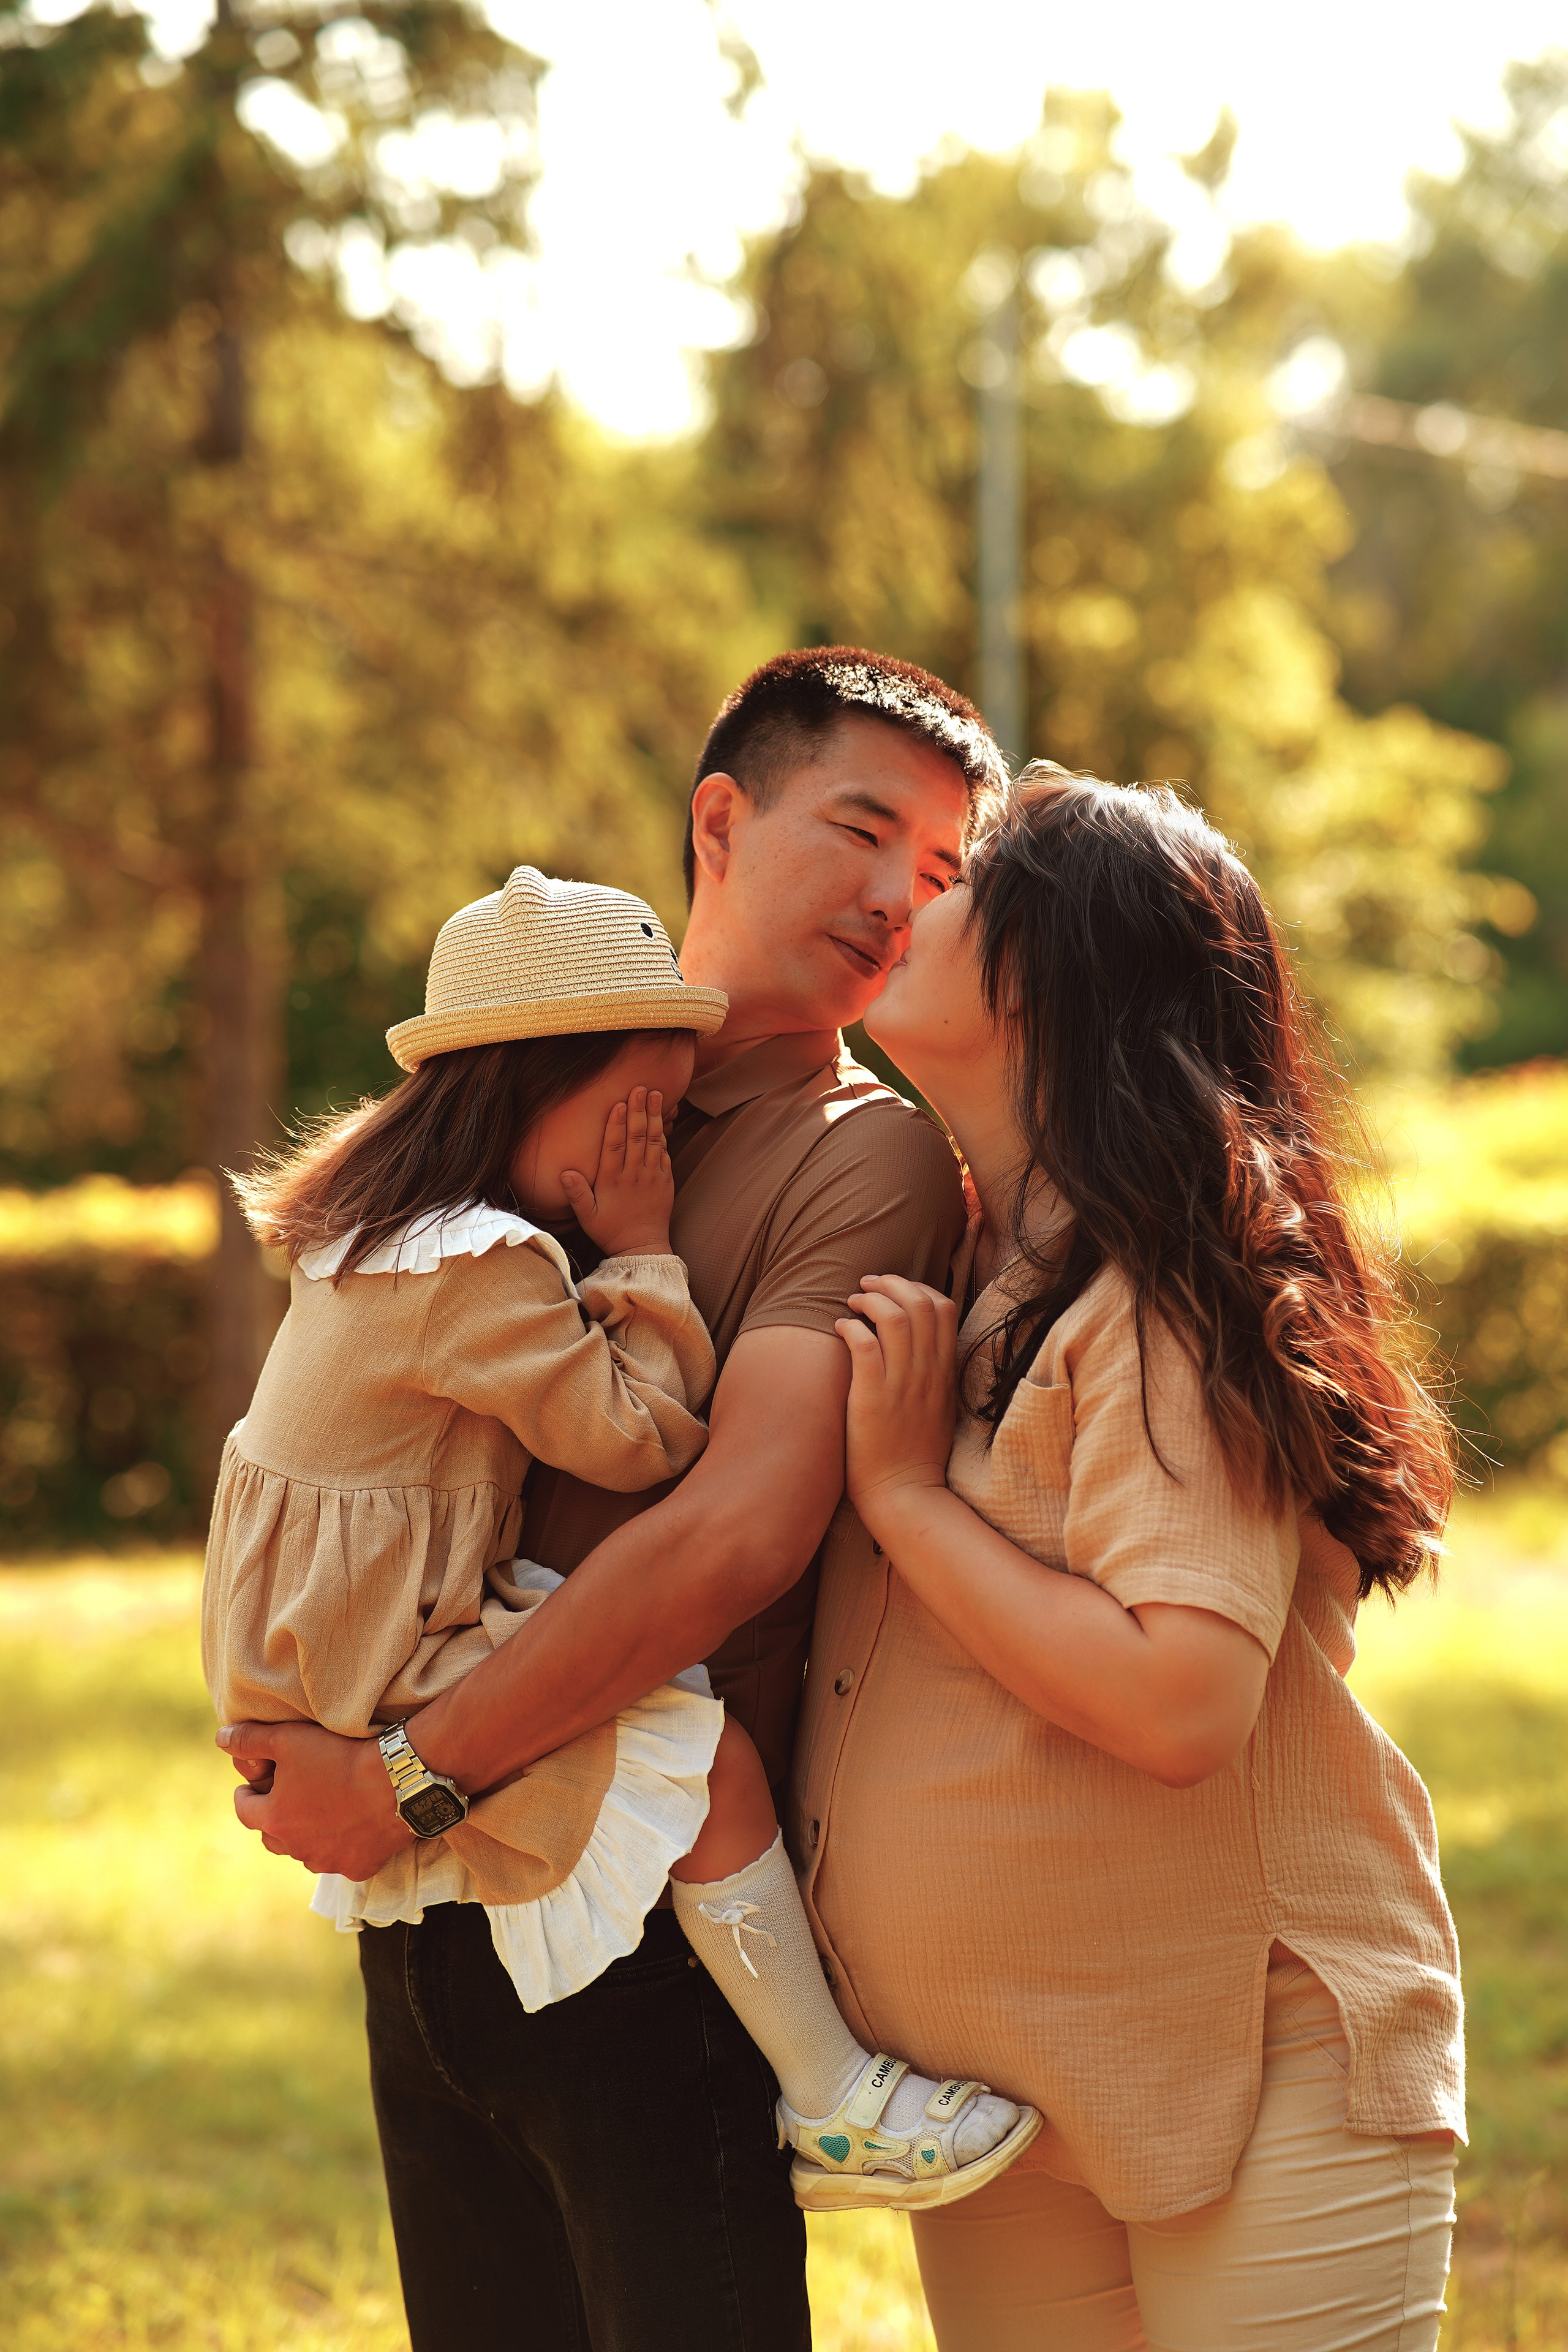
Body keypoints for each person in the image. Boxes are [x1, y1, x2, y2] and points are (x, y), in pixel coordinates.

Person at [216, 648, 1010, 2351]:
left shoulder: (855, 1151)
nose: (897, 898)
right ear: (719, 818)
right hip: (427, 1906)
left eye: (943, 873)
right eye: (864, 830)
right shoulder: (509, 1093)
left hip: (644, 1910)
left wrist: (411, 1777)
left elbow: (736, 1533)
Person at [800, 767, 1463, 2352]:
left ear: (1057, 964)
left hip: (1258, 2055)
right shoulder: (969, 1263)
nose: (907, 897)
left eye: (958, 874)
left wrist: (908, 1504)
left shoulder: (1159, 1301)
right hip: (1015, 2088)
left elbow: (1180, 1701)